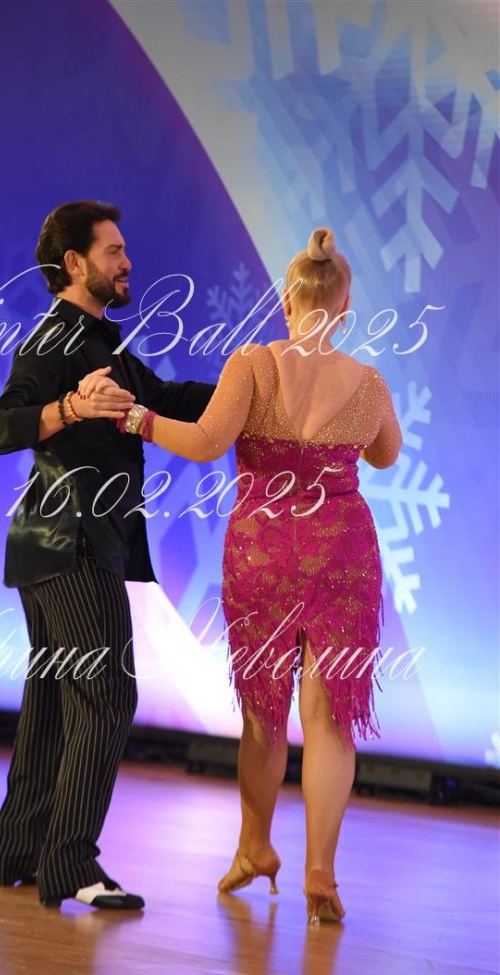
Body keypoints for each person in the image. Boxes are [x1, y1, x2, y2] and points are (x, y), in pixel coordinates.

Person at [113, 227, 402, 923]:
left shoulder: (252, 362)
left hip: (264, 552)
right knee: (330, 720)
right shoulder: (367, 382)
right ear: (345, 306)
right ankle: (320, 869)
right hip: (342, 554)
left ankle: (254, 846)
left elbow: (207, 441)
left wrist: (138, 418)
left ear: (286, 301)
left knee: (264, 715)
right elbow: (386, 455)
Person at [0, 200, 214, 910]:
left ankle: (20, 852)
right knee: (108, 694)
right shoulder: (55, 338)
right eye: (114, 251)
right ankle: (72, 866)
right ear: (74, 263)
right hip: (70, 542)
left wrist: (255, 391)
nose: (127, 262)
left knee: (57, 701)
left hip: (56, 545)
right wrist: (71, 410)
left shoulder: (97, 343)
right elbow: (1, 428)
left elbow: (168, 397)